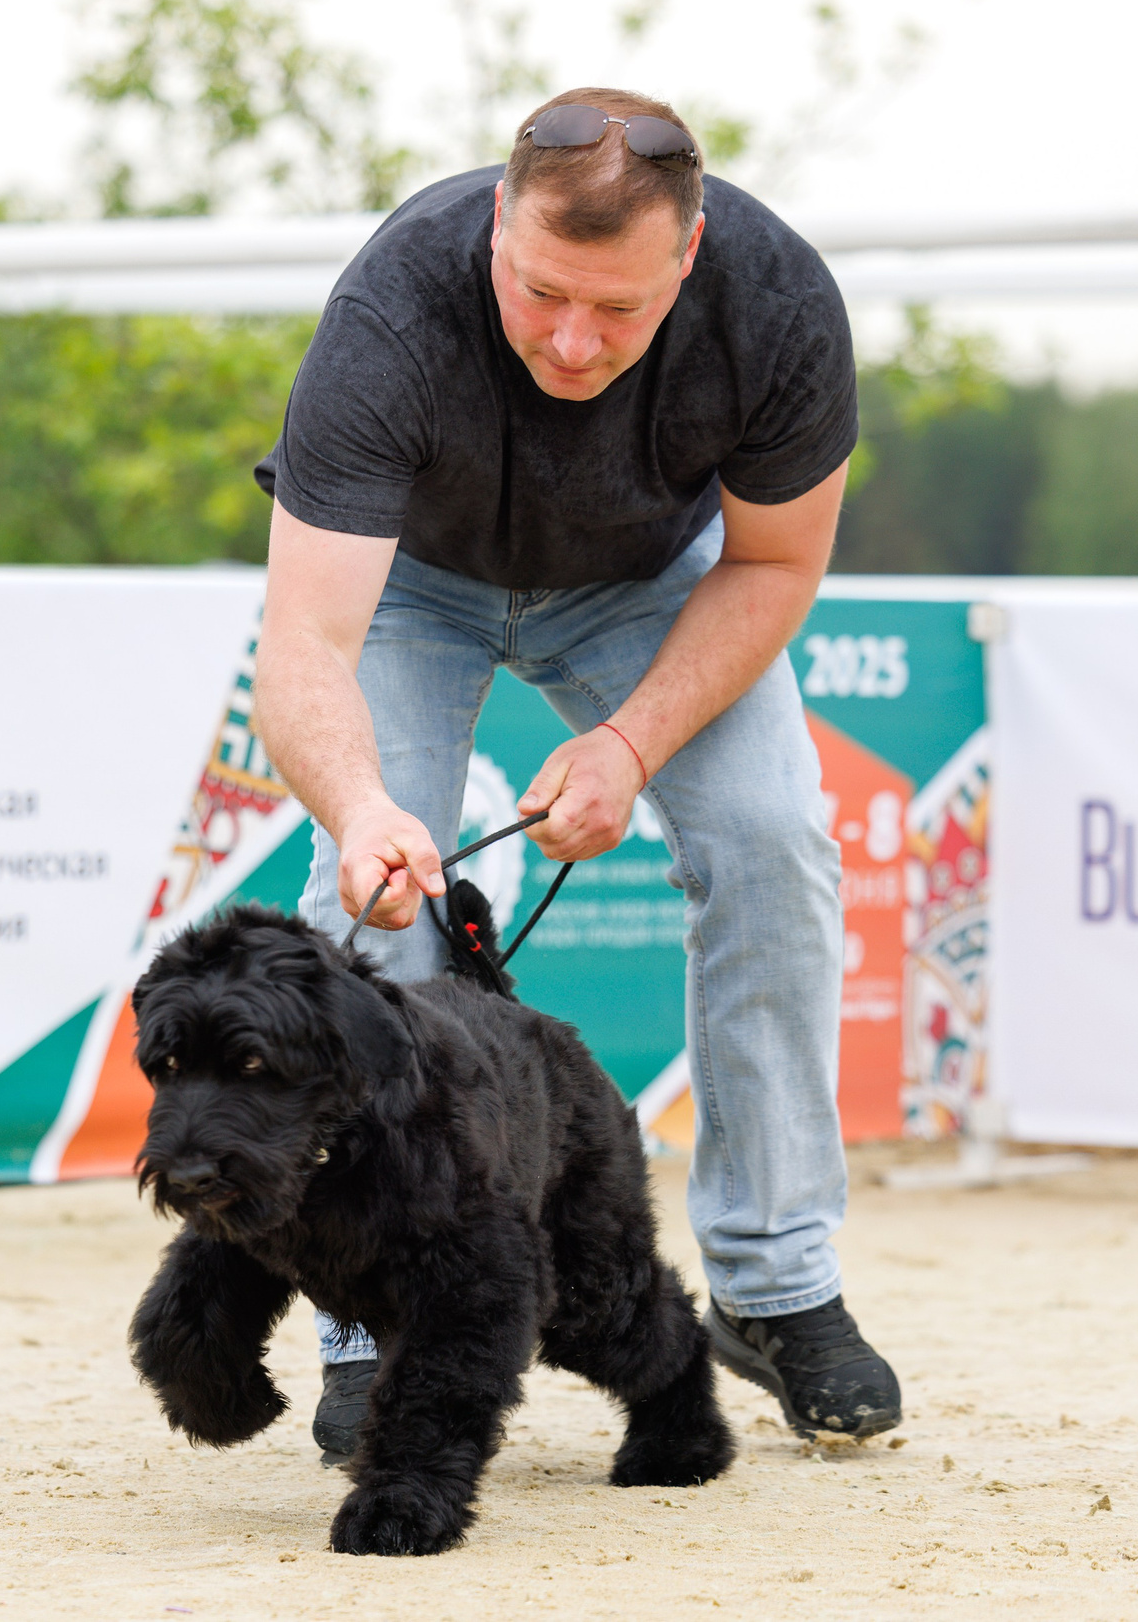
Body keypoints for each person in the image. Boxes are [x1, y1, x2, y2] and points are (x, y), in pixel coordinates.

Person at [249, 86, 901, 1460]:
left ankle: (777, 1286)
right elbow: (305, 636)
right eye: (541, 291)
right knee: (365, 901)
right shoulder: (391, 315)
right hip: (412, 581)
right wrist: (369, 811)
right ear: (497, 220)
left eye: (618, 310)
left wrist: (627, 744)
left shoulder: (777, 306)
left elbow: (776, 564)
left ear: (692, 250)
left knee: (776, 842)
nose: (569, 339)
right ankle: (369, 1328)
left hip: (645, 585)